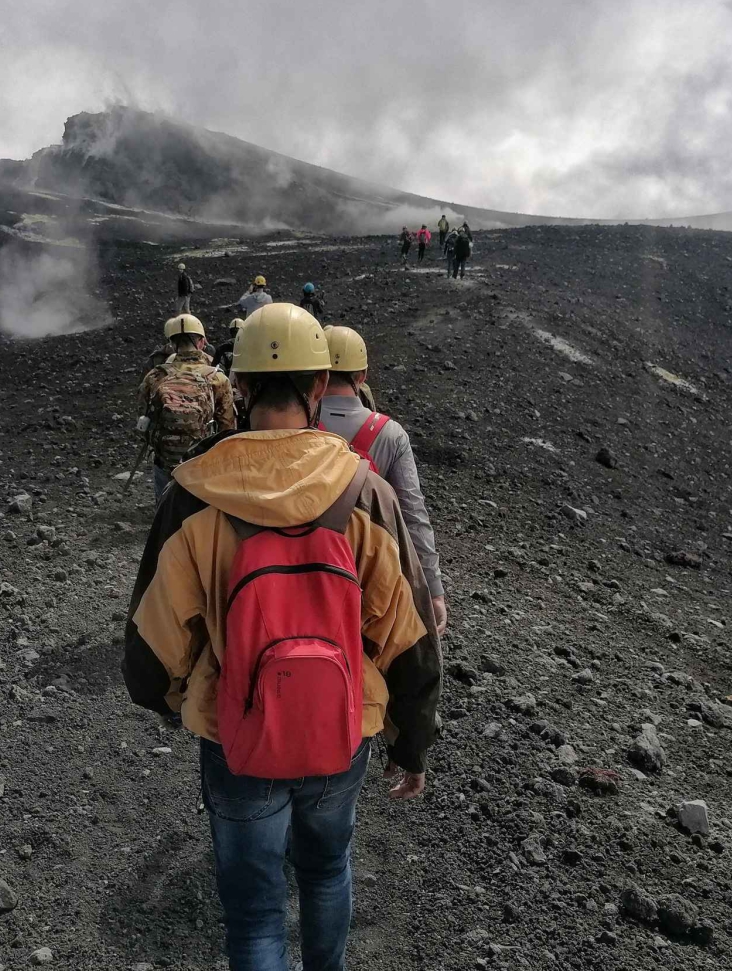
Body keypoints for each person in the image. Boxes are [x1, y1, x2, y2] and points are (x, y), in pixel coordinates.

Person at [124, 302, 440, 970]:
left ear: (238, 387)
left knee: (254, 910)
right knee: (326, 871)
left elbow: (150, 648)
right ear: (319, 385)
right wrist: (410, 742)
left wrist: (178, 701)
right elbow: (409, 640)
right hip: (341, 729)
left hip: (235, 737)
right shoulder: (365, 493)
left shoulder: (194, 494)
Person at [320, 325, 447, 638]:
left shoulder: (299, 425)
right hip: (372, 576)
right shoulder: (391, 435)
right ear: (362, 376)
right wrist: (433, 590)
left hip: (309, 569)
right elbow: (414, 517)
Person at [136, 315, 235, 503]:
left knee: (165, 510)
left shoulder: (155, 376)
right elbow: (227, 427)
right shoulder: (217, 378)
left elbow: (142, 418)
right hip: (202, 463)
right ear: (202, 342)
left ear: (172, 344)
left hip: (165, 461)